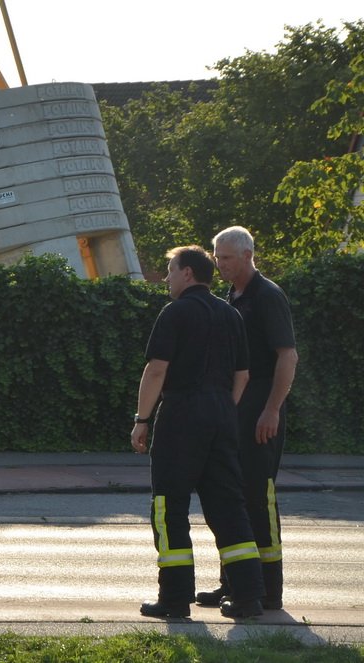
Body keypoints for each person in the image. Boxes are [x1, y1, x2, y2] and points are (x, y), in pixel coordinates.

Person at [131, 245, 265, 619]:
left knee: (168, 506)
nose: (168, 278)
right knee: (228, 506)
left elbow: (157, 370)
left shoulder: (175, 313)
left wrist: (142, 419)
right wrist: (223, 408)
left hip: (182, 415)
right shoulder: (230, 314)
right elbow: (243, 375)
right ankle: (249, 596)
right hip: (223, 414)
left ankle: (174, 599)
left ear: (188, 273)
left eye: (170, 270)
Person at [199, 226, 298, 610]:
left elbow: (287, 357)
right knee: (231, 498)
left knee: (258, 497)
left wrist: (271, 409)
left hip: (261, 409)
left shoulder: (267, 296)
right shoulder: (234, 294)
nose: (219, 264)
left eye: (225, 258)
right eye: (217, 257)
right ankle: (235, 582)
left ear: (247, 255)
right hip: (237, 410)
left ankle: (268, 591)